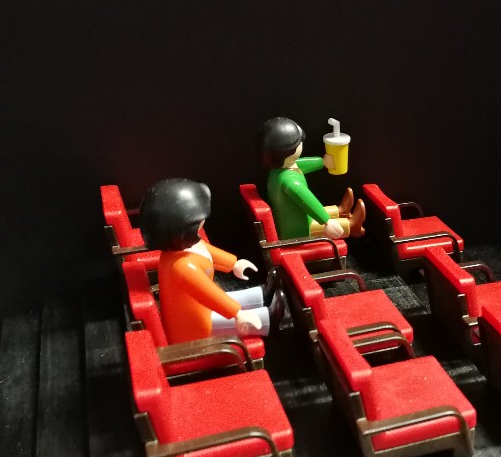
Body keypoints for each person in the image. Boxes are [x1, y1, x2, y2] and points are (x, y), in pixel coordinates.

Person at [138, 178, 284, 344]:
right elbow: (208, 293)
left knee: (225, 297)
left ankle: (261, 295)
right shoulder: (182, 266)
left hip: (197, 307)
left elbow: (207, 251)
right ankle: (268, 319)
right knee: (225, 305)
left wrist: (234, 264)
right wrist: (237, 313)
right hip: (193, 325)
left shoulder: (186, 247)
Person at [260, 116, 365, 240]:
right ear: (289, 150)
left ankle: (341, 211)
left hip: (296, 218)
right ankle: (352, 225)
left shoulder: (278, 171)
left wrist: (323, 162)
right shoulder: (290, 182)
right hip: (299, 229)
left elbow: (299, 165)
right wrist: (326, 221)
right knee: (325, 223)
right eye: (299, 142)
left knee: (319, 213)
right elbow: (307, 200)